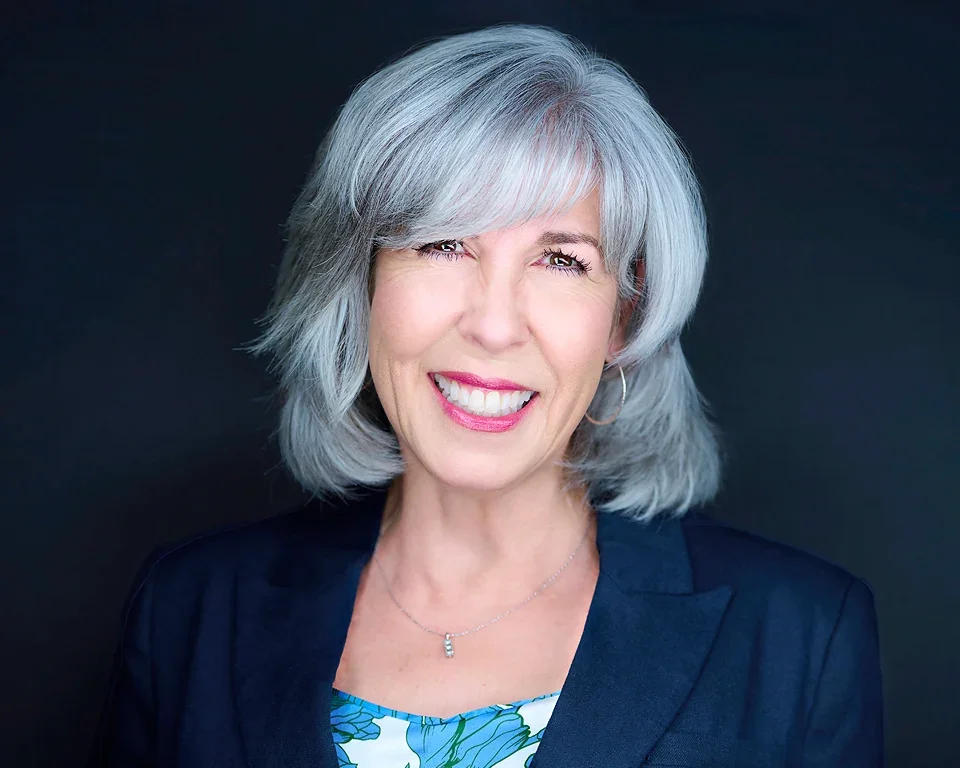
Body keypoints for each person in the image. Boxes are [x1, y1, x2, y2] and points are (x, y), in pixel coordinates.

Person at [87, 23, 883, 767]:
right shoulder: (189, 606)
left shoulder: (802, 635)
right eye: (443, 244)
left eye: (561, 261)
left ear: (624, 318)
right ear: (360, 284)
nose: (494, 326)